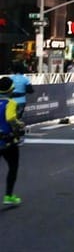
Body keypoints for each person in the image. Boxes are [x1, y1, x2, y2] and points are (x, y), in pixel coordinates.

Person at [0, 77, 25, 206]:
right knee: (12, 167)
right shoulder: (11, 103)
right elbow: (10, 118)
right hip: (7, 141)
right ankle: (9, 196)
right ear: (11, 89)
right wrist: (19, 125)